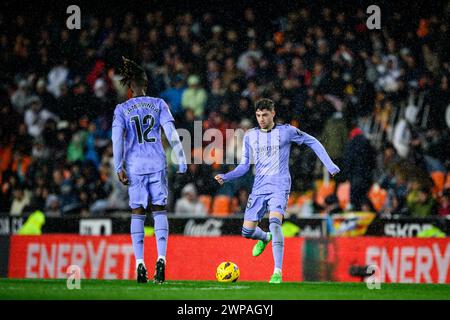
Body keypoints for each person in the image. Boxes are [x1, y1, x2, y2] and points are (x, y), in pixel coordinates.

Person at [214, 98, 340, 283]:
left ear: (273, 113)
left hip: (280, 185)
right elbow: (244, 166)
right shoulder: (250, 135)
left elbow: (312, 141)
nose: (261, 119)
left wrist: (329, 164)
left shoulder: (286, 131)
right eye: (258, 115)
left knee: (275, 222)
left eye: (265, 114)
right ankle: (264, 238)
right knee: (247, 232)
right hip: (259, 186)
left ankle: (277, 272)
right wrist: (226, 176)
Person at [112, 57, 187, 284]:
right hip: (156, 164)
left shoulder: (122, 109)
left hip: (135, 167)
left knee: (138, 213)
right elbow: (172, 133)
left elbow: (117, 140)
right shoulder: (158, 104)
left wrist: (118, 166)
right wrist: (181, 158)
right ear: (145, 82)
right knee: (160, 211)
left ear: (129, 86)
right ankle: (162, 259)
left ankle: (139, 263)